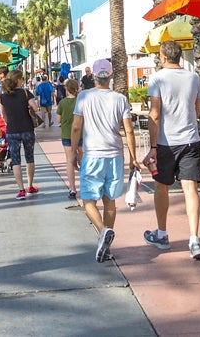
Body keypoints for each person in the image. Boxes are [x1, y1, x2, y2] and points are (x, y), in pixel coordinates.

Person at [143, 40, 200, 259]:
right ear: (179, 56)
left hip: (165, 143)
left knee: (162, 187)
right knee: (191, 189)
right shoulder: (193, 77)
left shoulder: (157, 78)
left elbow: (155, 113)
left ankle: (161, 234)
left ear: (162, 57)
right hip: (190, 140)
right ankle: (194, 240)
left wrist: (152, 147)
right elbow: (196, 109)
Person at [71, 58, 136, 262]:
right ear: (110, 76)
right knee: (110, 201)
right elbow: (128, 130)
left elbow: (75, 127)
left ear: (94, 77)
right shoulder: (120, 99)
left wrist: (73, 151)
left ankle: (102, 232)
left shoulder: (83, 97)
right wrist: (134, 158)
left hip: (92, 155)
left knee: (88, 201)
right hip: (115, 155)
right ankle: (106, 244)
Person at [0, 71, 40, 199]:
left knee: (16, 160)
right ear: (19, 80)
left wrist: (9, 122)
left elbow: (2, 114)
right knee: (29, 157)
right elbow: (35, 108)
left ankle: (21, 190)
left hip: (12, 130)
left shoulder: (3, 97)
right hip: (27, 128)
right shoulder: (26, 93)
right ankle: (30, 186)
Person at [57, 77, 81, 200]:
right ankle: (86, 184)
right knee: (84, 160)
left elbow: (58, 120)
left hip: (67, 135)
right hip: (81, 134)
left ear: (67, 90)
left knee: (69, 161)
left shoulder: (62, 103)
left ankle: (72, 189)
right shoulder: (80, 102)